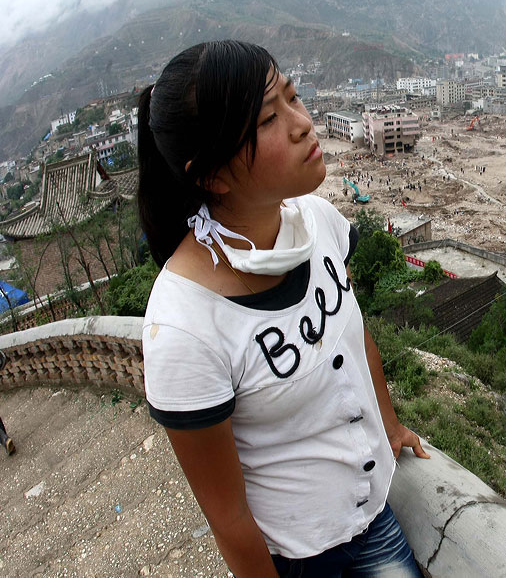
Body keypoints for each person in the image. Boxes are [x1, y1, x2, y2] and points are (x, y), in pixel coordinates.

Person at [137, 40, 428, 578]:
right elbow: (227, 517)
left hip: (373, 518)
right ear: (212, 175)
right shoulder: (183, 327)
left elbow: (354, 337)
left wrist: (390, 426)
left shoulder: (317, 220)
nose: (303, 124)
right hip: (299, 559)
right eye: (269, 118)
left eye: (293, 97)